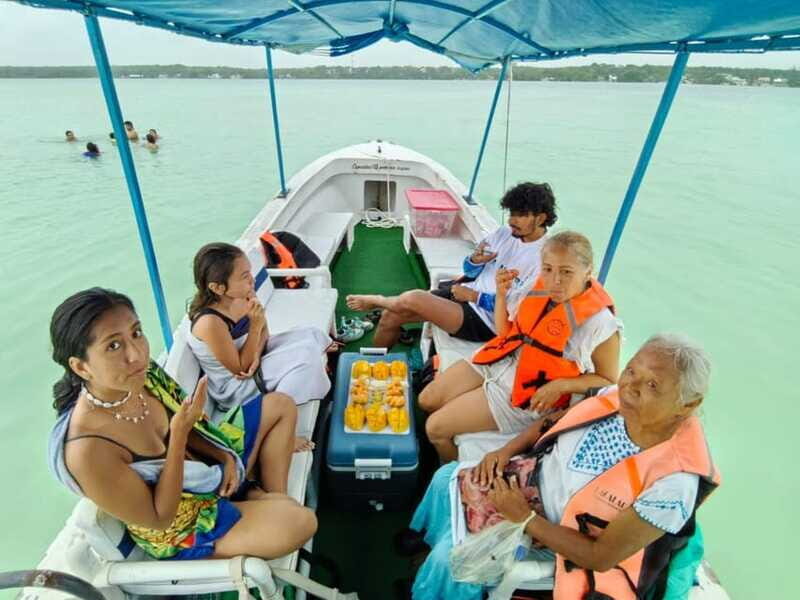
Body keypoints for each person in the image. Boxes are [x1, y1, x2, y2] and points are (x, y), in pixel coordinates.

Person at [404, 334, 720, 600]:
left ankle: (432, 584)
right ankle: (427, 540)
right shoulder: (613, 399)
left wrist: (523, 517)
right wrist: (505, 451)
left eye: (653, 385)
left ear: (687, 405)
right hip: (532, 483)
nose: (631, 387)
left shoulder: (673, 485)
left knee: (453, 564)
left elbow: (600, 557)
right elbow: (550, 423)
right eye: (632, 371)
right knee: (447, 476)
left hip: (559, 537)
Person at [48, 288, 317, 561]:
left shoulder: (144, 375)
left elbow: (193, 427)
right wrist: (178, 435)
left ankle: (265, 499)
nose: (136, 354)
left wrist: (222, 456)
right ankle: (261, 502)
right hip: (182, 524)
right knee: (300, 522)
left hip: (204, 472)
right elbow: (159, 518)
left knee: (280, 404)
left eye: (137, 333)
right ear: (81, 367)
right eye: (113, 346)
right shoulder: (88, 451)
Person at [420, 231, 621, 462]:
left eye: (566, 272)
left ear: (588, 271)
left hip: (527, 394)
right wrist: (502, 295)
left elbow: (607, 381)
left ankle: (449, 477)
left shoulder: (600, 324)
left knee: (435, 428)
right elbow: (505, 332)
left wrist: (561, 386)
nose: (555, 281)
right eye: (548, 269)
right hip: (500, 358)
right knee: (427, 400)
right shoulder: (536, 288)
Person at [187, 243, 334, 490]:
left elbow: (264, 334)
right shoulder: (210, 322)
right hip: (235, 388)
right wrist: (254, 330)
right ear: (218, 287)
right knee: (305, 359)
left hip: (254, 360)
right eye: (244, 277)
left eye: (250, 273)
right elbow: (239, 370)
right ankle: (284, 432)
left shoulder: (240, 297)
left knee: (310, 334)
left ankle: (322, 361)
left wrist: (258, 336)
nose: (251, 281)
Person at [346, 182, 557, 347]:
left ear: (540, 218)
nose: (512, 220)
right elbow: (468, 269)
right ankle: (376, 365)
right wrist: (475, 260)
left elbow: (516, 308)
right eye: (511, 213)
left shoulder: (545, 259)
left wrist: (473, 297)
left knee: (415, 298)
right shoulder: (505, 233)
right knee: (390, 316)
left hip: (485, 320)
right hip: (464, 293)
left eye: (521, 215)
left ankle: (377, 300)